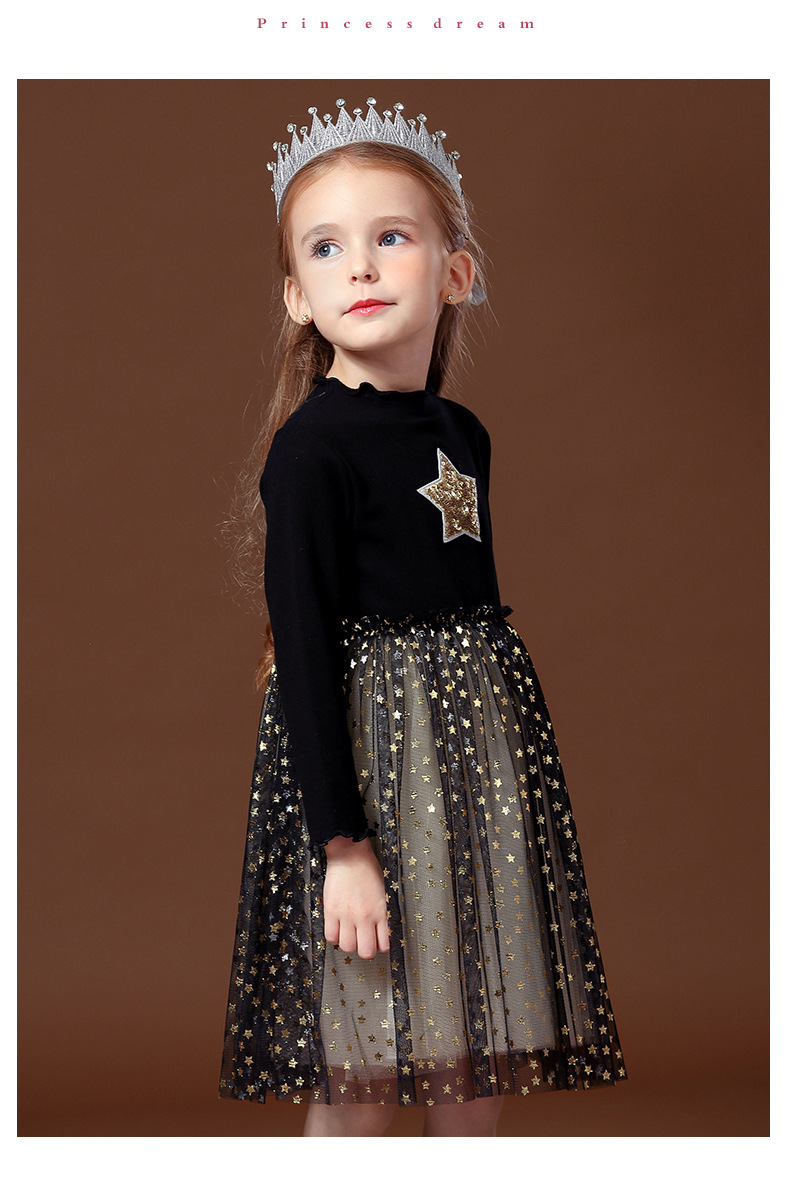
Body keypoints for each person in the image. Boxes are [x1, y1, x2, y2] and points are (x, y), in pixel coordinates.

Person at [219, 97, 627, 1137]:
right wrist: (343, 847)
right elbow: (306, 657)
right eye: (326, 248)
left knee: (471, 1034)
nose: (359, 266)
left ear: (456, 272)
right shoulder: (312, 453)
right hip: (371, 770)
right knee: (363, 1053)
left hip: (469, 770)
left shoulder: (463, 435)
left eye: (390, 237)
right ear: (297, 296)